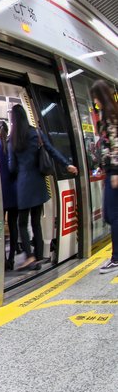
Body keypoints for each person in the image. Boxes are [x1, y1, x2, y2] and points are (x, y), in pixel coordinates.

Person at [7, 104, 78, 271]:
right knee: (36, 222)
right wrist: (66, 164)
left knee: (22, 223)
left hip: (23, 185)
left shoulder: (12, 139)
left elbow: (12, 167)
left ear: (13, 119)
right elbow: (51, 150)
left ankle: (29, 257)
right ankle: (38, 257)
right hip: (38, 183)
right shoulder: (36, 133)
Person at [91, 80, 118, 273]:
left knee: (112, 215)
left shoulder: (110, 116)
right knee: (110, 215)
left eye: (95, 97)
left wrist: (115, 171)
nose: (94, 101)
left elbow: (115, 145)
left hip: (115, 172)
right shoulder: (106, 115)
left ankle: (116, 258)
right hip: (110, 170)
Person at [0, 121, 20, 270]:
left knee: (0, 227)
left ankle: (3, 259)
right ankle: (12, 259)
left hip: (1, 193)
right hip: (14, 191)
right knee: (13, 225)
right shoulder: (13, 145)